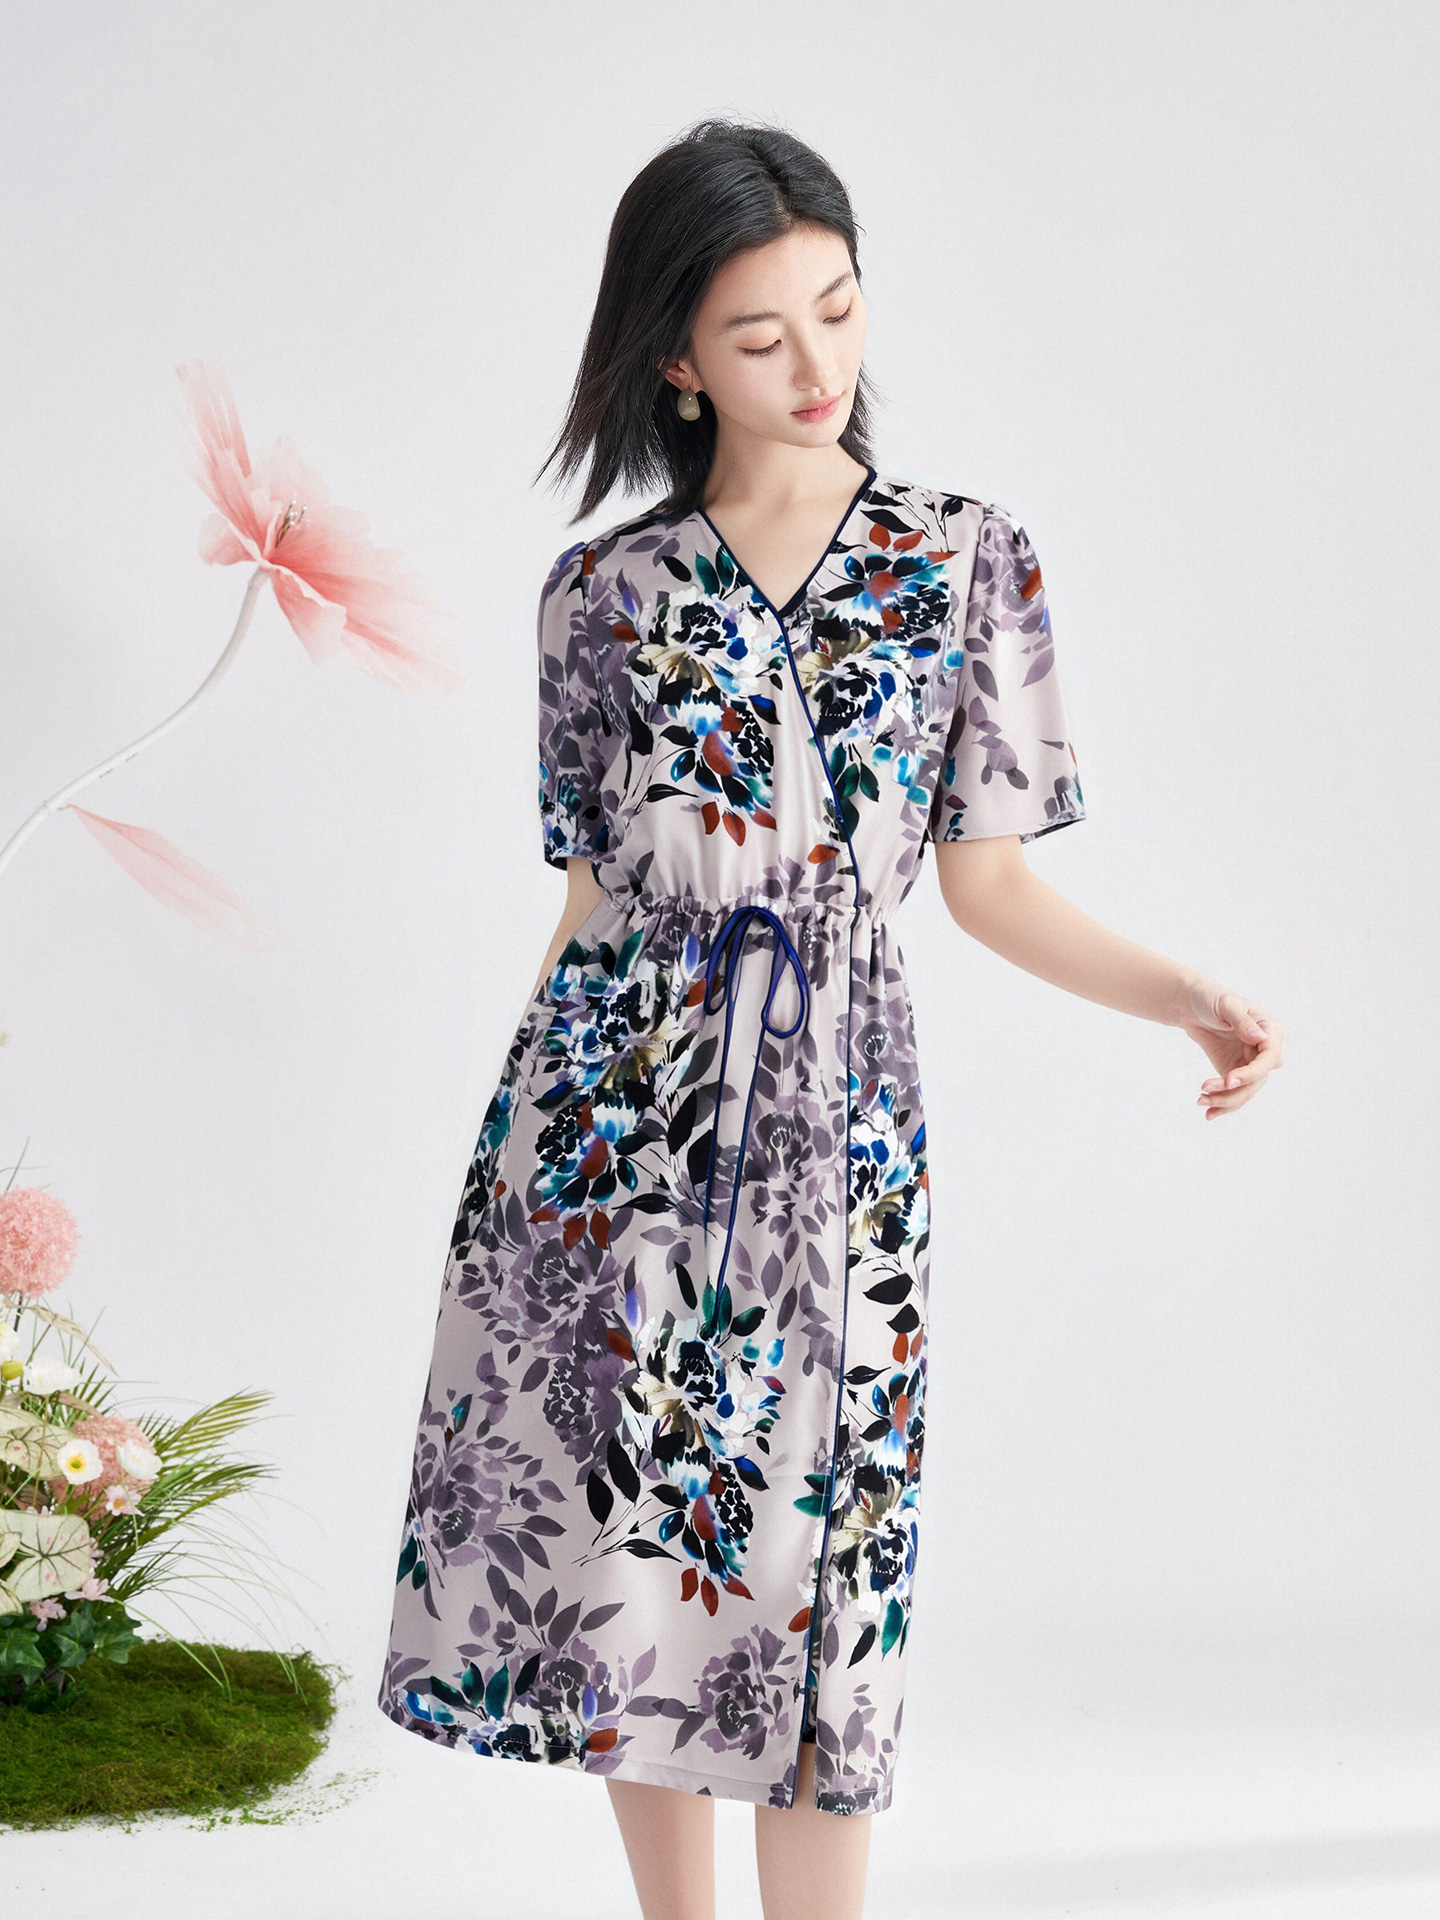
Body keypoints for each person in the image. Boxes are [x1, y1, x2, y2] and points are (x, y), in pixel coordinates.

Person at [377, 118, 1284, 1920]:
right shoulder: (600, 596)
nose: (817, 364)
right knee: (634, 1552)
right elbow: (590, 904)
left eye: (841, 308)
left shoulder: (962, 557)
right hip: (609, 1122)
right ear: (675, 359)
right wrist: (514, 1184)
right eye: (761, 333)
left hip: (835, 1128)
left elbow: (987, 886)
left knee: (824, 1577)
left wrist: (1184, 994)